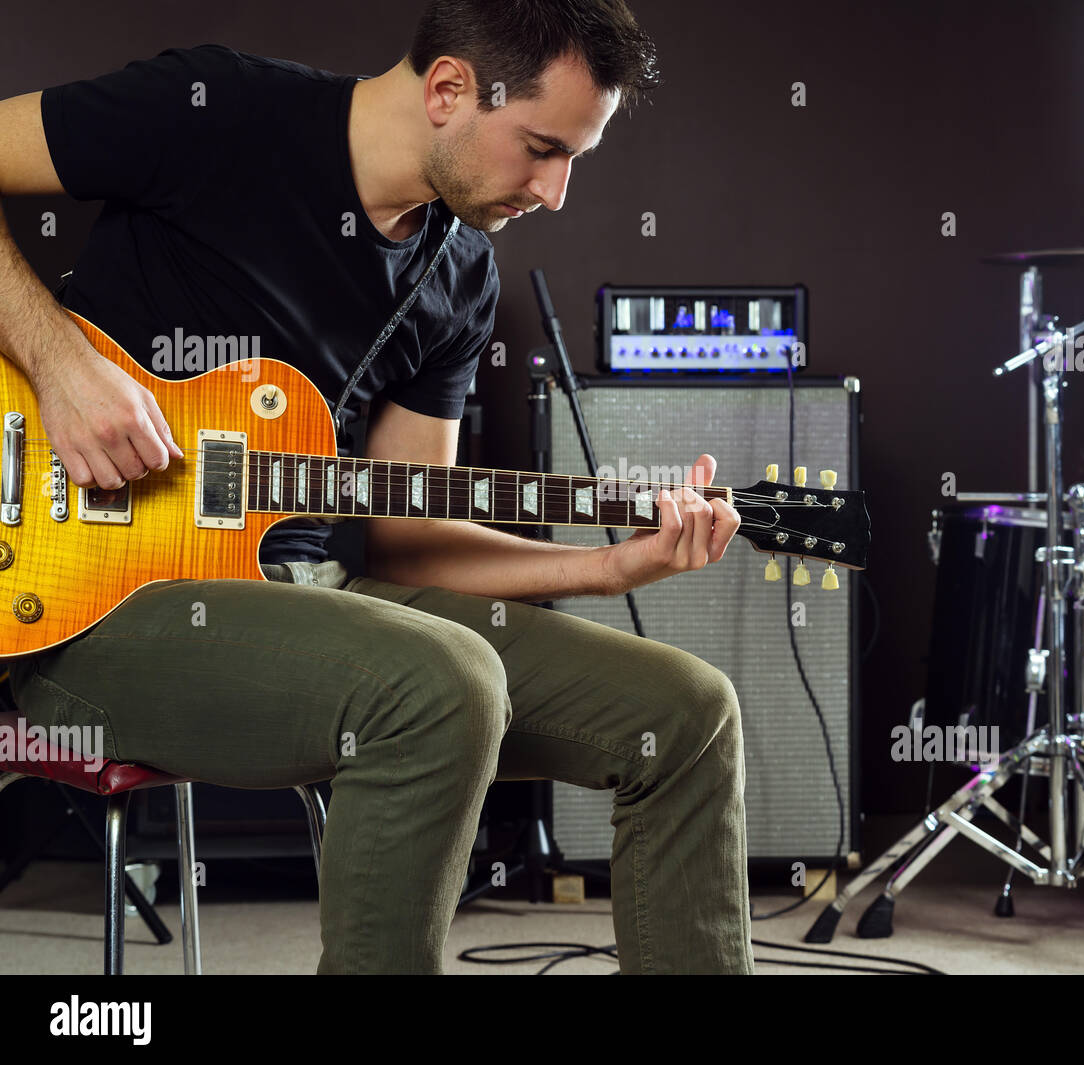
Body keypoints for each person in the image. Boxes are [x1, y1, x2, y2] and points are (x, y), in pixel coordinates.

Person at [0, 0, 754, 974]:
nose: (556, 191)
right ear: (447, 89)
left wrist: (608, 564)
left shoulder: (459, 276)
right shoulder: (217, 110)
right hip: (94, 607)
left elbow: (407, 535)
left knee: (689, 713)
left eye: (574, 158)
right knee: (441, 687)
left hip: (318, 604)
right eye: (539, 147)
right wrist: (59, 364)